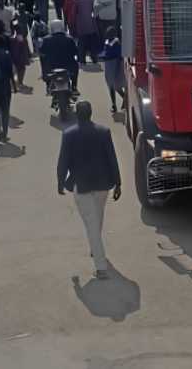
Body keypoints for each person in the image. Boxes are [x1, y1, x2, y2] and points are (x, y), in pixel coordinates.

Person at [57, 101, 122, 279]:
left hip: (82, 185)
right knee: (97, 219)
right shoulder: (103, 132)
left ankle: (101, 267)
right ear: (91, 113)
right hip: (102, 185)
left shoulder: (69, 134)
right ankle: (96, 248)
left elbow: (63, 161)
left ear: (77, 114)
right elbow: (112, 158)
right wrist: (118, 183)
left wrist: (60, 182)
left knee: (92, 225)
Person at [40, 19, 80, 92]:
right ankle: (74, 86)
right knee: (75, 67)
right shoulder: (69, 39)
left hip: (51, 66)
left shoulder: (46, 40)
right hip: (68, 66)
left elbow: (42, 53)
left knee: (43, 61)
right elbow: (75, 52)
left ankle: (48, 85)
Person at [98, 27, 127, 113]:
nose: (107, 35)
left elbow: (119, 55)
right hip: (108, 65)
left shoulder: (116, 43)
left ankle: (122, 101)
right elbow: (105, 52)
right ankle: (115, 104)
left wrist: (119, 67)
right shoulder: (107, 42)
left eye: (109, 33)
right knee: (111, 86)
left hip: (115, 65)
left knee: (116, 86)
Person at [72, 0, 99, 64]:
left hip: (81, 25)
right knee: (92, 44)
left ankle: (82, 59)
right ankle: (94, 58)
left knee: (81, 44)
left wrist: (73, 24)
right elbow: (93, 10)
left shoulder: (76, 0)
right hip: (90, 24)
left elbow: (74, 13)